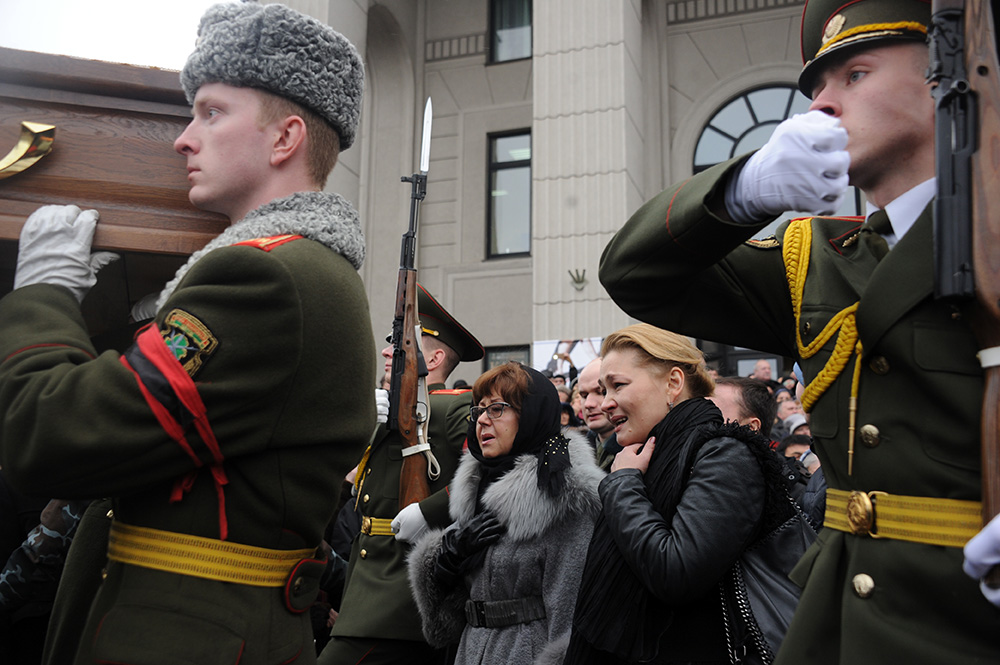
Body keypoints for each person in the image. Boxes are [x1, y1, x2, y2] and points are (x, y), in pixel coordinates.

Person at [597, 0, 998, 662]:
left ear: (945, 74)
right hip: (837, 624)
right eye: (814, 88)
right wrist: (740, 192)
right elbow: (633, 273)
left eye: (855, 75)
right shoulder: (814, 259)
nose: (821, 105)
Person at [0, 3, 375, 663]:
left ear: (285, 139)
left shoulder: (268, 280)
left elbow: (49, 435)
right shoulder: (281, 272)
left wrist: (43, 292)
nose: (181, 138)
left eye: (211, 112)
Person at [565, 324, 806, 664]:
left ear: (673, 383)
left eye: (618, 385)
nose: (605, 403)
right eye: (603, 390)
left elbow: (676, 570)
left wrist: (622, 485)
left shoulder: (725, 454)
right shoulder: (646, 455)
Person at [322, 285, 484, 665]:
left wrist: (430, 512)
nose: (385, 350)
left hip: (400, 598)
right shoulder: (385, 412)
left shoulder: (454, 408)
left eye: (400, 343)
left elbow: (495, 471)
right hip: (365, 590)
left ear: (435, 357)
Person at [408, 362, 603, 665]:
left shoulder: (563, 493)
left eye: (497, 409)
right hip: (470, 652)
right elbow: (443, 626)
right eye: (479, 411)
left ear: (531, 416)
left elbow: (571, 622)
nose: (482, 421)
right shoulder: (478, 488)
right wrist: (448, 562)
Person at [576, 358, 618, 471]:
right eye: (584, 395)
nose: (588, 404)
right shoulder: (572, 458)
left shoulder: (644, 452)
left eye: (600, 392)